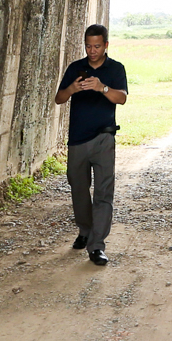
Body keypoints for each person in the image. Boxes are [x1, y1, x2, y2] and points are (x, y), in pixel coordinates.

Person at [53, 23, 128, 265]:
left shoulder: (116, 68)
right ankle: (85, 231)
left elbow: (122, 98)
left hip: (104, 138)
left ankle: (97, 246)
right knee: (78, 190)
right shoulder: (76, 68)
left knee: (104, 193)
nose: (92, 50)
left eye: (97, 46)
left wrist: (101, 87)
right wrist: (73, 88)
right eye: (88, 46)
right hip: (77, 140)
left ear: (106, 45)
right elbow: (59, 98)